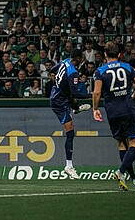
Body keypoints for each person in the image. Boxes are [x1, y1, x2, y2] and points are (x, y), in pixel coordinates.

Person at [93, 41, 135, 191]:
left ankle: (134, 179)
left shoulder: (100, 71)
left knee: (122, 144)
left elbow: (97, 92)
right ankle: (120, 171)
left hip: (112, 112)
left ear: (104, 55)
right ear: (119, 55)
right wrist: (132, 96)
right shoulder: (128, 67)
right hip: (127, 109)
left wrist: (95, 108)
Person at [50, 49, 92, 179]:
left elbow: (52, 69)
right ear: (78, 59)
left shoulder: (64, 62)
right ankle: (68, 165)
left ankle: (76, 108)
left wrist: (58, 82)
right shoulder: (73, 72)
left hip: (58, 94)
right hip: (60, 102)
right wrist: (92, 95)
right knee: (70, 132)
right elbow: (76, 93)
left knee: (70, 96)